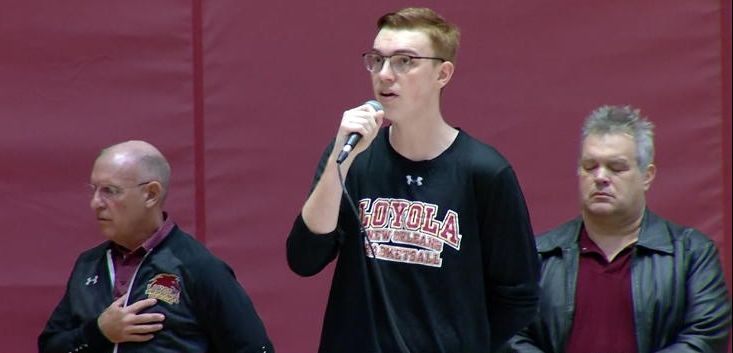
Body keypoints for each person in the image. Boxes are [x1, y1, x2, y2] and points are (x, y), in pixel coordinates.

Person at [285, 7, 540, 353]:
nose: (385, 74)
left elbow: (519, 297)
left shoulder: (485, 172)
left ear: (442, 74)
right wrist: (337, 164)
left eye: (404, 61)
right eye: (377, 60)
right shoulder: (352, 156)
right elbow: (303, 259)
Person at [507, 106, 732, 353]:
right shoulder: (538, 255)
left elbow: (705, 339)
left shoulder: (691, 254)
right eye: (590, 166)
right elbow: (509, 334)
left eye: (616, 167)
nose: (600, 177)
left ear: (647, 176)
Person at [38, 140, 274, 353]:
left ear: (151, 194)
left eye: (110, 191)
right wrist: (99, 332)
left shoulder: (198, 267)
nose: (95, 203)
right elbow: (50, 346)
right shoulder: (88, 265)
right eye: (94, 190)